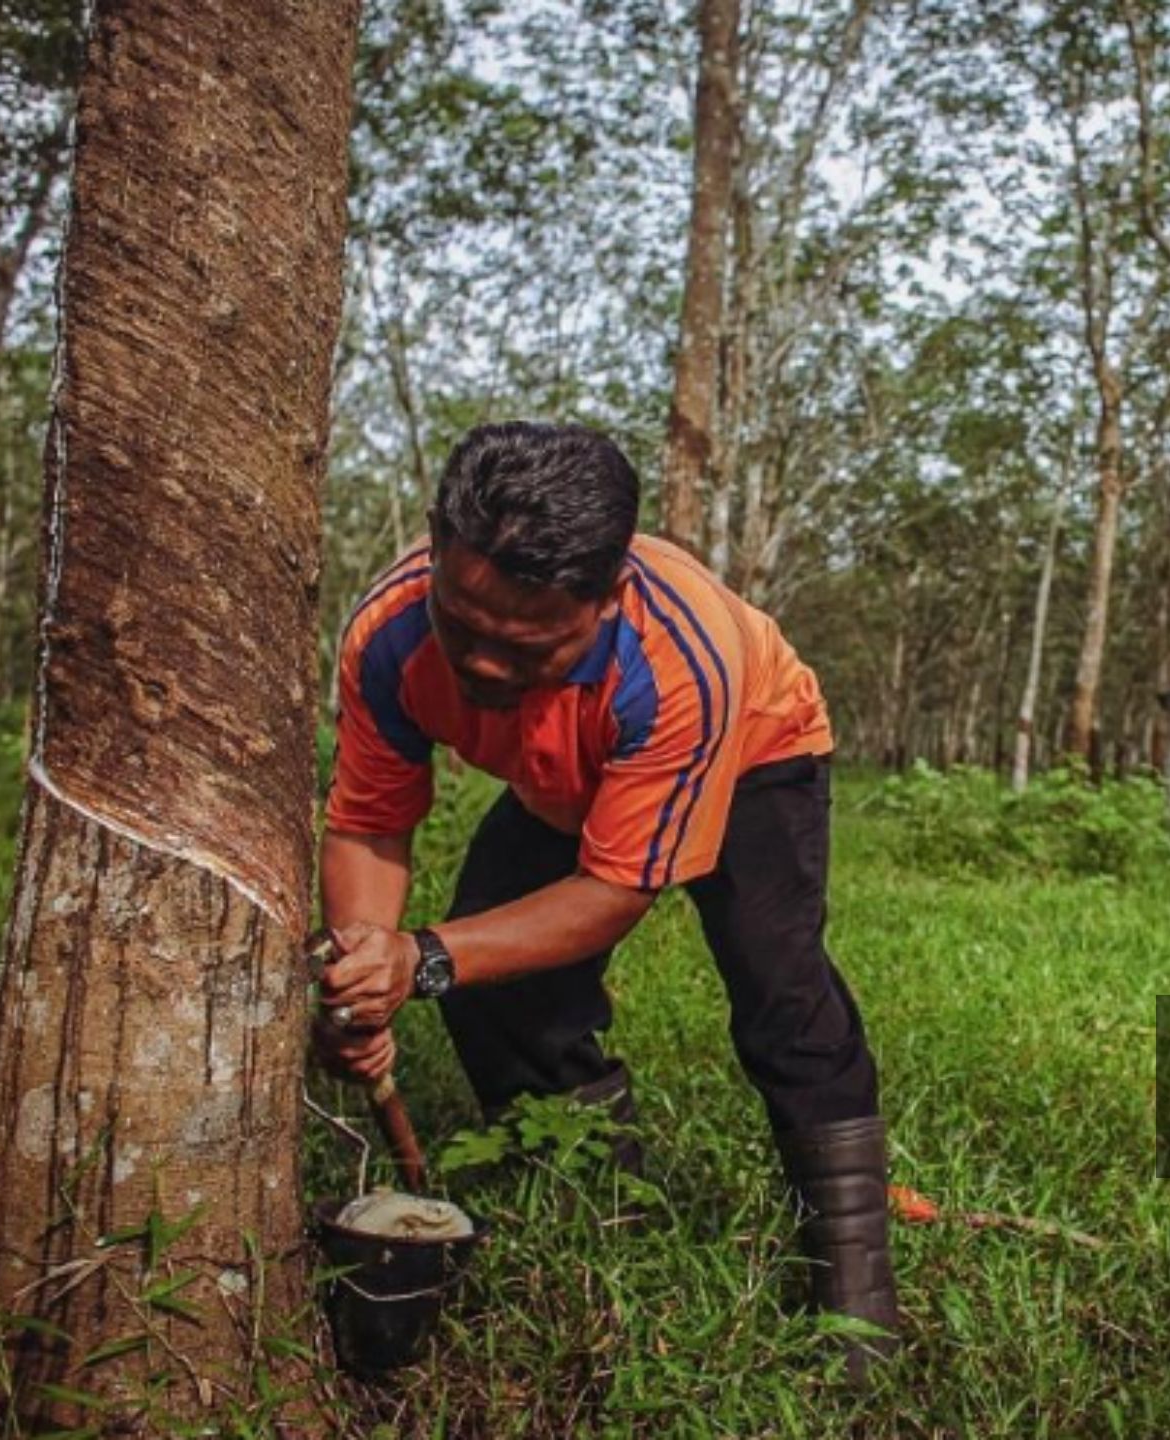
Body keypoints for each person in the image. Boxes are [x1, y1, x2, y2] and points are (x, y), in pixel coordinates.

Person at [311, 421, 898, 1381]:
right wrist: (363, 977)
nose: (485, 667)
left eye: (527, 645)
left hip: (755, 753)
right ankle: (600, 1198)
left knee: (778, 989)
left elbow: (615, 891)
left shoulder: (679, 661)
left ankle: (855, 1297)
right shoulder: (388, 633)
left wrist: (417, 955)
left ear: (608, 597)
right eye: (463, 629)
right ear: (435, 546)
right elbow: (371, 823)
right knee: (489, 985)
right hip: (561, 776)